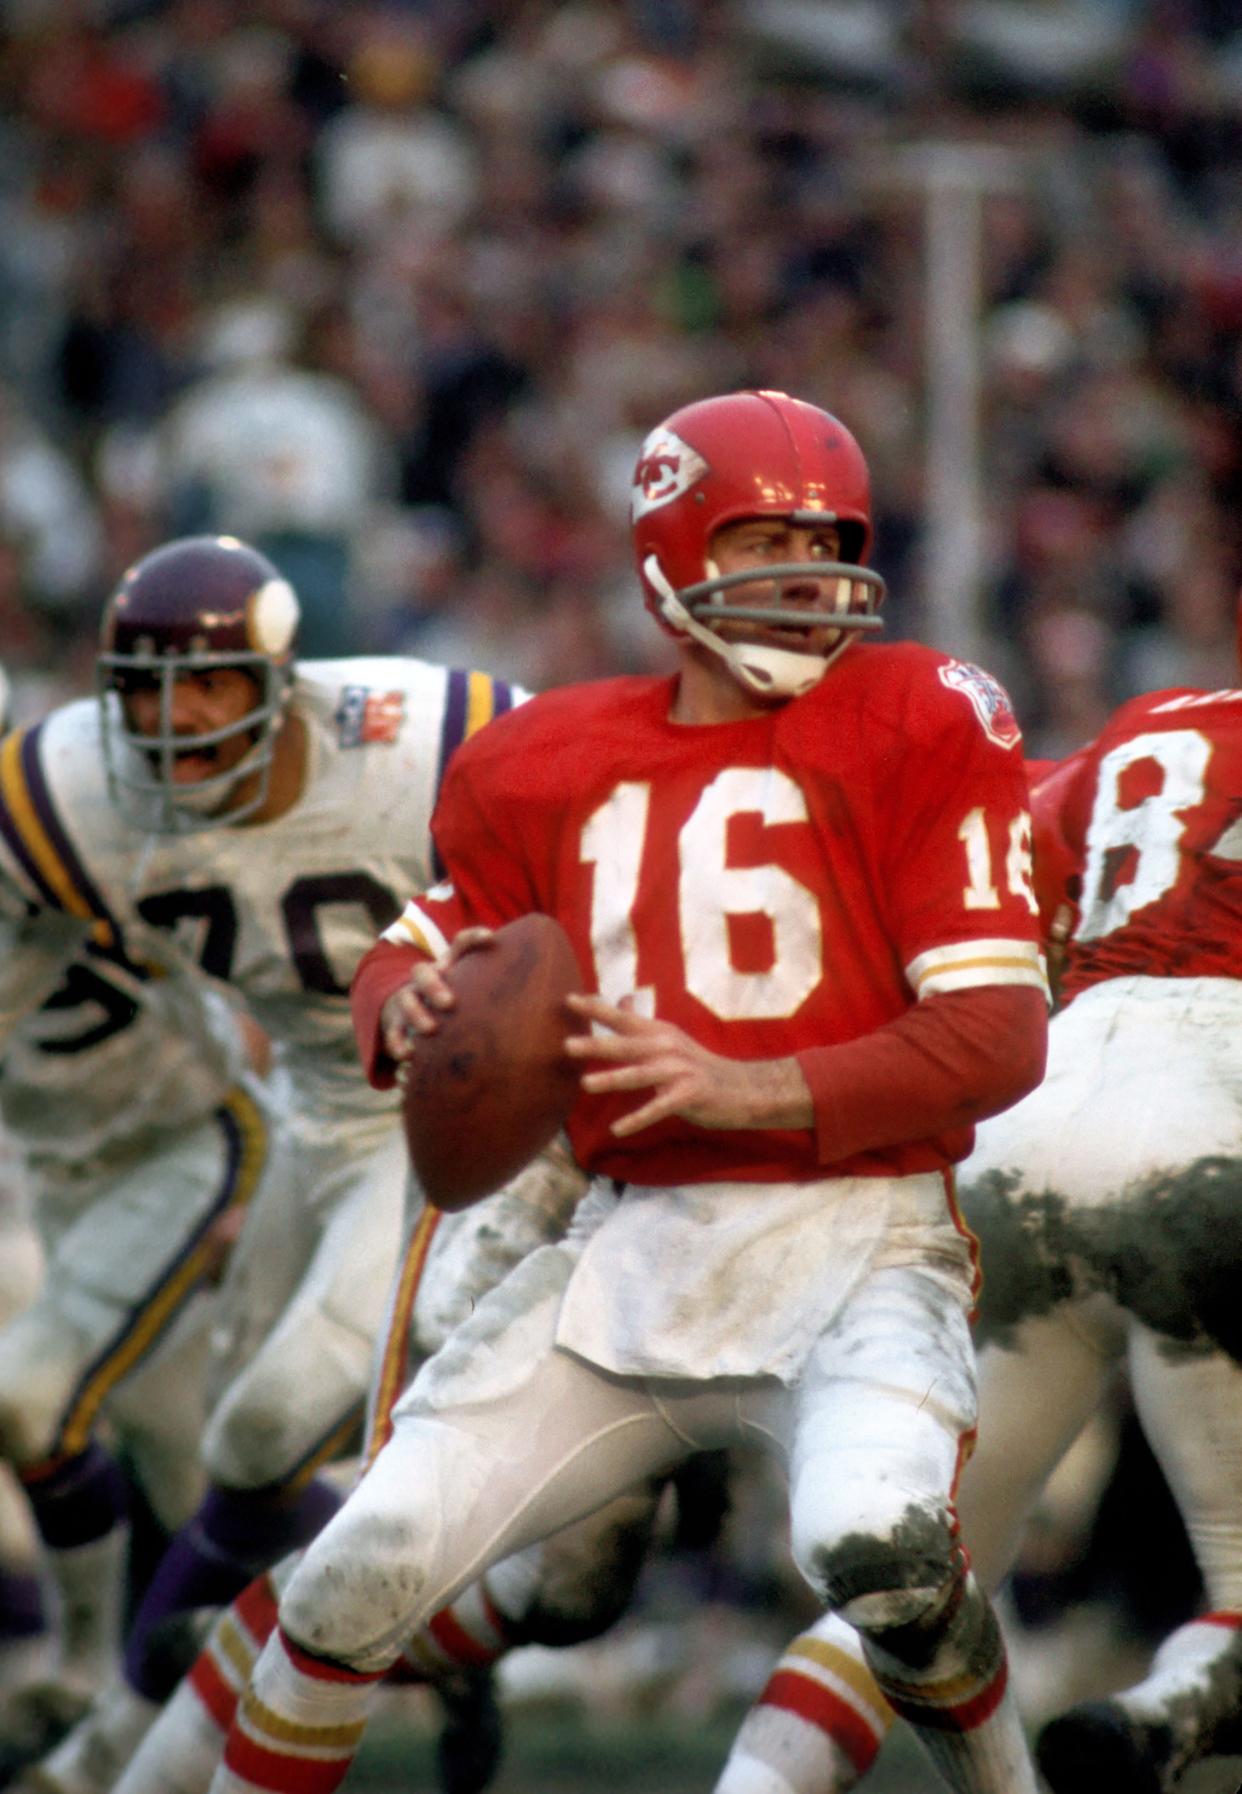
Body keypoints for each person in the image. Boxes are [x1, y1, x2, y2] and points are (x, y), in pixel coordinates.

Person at [201, 389, 1050, 1794]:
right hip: (623, 1253)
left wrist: (746, 1083)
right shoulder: (549, 759)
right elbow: (427, 941)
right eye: (761, 537)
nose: (807, 573)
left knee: (879, 1548)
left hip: (860, 1244)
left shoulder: (915, 714)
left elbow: (993, 1036)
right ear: (672, 553)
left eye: (826, 539)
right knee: (354, 1572)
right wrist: (395, 1006)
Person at [0, 536, 527, 1790]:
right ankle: (436, 1650)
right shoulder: (68, 792)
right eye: (143, 688)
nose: (174, 721)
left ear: (284, 683)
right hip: (305, 1115)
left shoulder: (429, 732)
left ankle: (114, 1752)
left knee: (266, 1429)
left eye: (212, 687)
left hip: (442, 1115)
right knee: (225, 1470)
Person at [710, 671, 1242, 1794]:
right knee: (1238, 1566)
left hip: (1035, 1120)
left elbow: (1011, 871)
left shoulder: (1150, 724)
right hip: (1214, 1127)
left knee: (920, 1581)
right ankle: (1159, 1716)